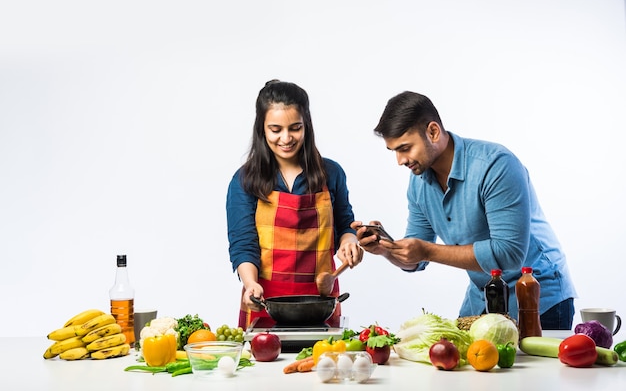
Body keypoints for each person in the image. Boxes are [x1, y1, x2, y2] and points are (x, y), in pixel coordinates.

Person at [353, 91, 577, 329]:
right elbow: (416, 256)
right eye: (394, 151)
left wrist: (427, 251)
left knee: (535, 368)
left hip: (537, 300)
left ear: (433, 132)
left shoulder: (496, 165)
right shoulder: (418, 182)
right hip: (482, 299)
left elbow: (509, 253)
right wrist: (387, 249)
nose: (400, 160)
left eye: (405, 148)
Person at [227, 80, 363, 329]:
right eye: (275, 129)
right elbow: (243, 244)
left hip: (320, 303)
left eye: (295, 128)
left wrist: (349, 242)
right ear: (262, 129)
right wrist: (250, 284)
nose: (286, 138)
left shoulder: (331, 174)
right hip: (265, 301)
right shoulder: (245, 180)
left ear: (307, 126)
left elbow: (345, 224)